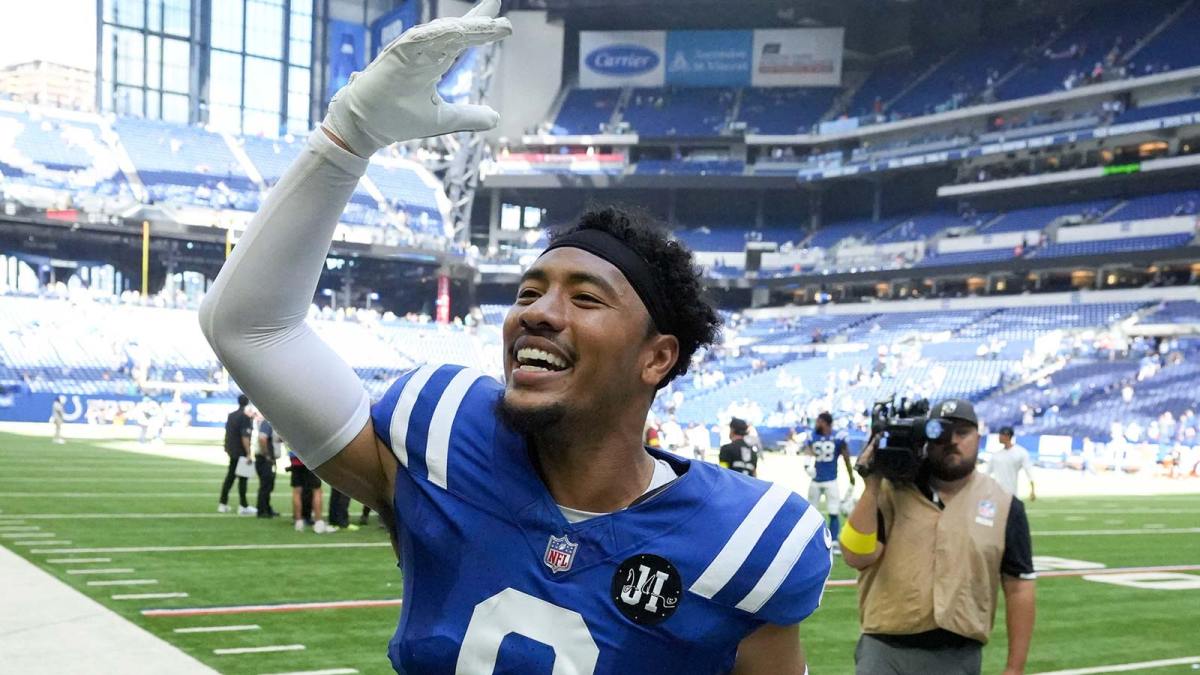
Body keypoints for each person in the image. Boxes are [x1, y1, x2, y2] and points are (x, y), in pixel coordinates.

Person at [197, 3, 832, 671]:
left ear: (657, 356)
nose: (538, 311)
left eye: (586, 298)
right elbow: (247, 326)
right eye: (529, 291)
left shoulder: (743, 542)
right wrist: (348, 135)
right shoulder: (444, 438)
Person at [840, 399, 1036, 675]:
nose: (951, 441)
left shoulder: (1005, 507)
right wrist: (871, 485)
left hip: (957, 657)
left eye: (962, 433)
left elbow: (1019, 588)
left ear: (978, 438)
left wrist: (1015, 668)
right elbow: (856, 555)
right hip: (884, 652)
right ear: (925, 436)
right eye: (940, 431)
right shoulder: (889, 492)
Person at [804, 412, 855, 552]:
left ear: (826, 423)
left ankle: (832, 541)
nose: (816, 424)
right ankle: (812, 539)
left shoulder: (837, 436)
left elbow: (846, 457)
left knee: (833, 511)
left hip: (829, 479)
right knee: (812, 512)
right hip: (819, 479)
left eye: (819, 421)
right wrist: (807, 465)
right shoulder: (821, 436)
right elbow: (808, 451)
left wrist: (851, 475)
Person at [219, 395, 255, 515]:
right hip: (240, 452)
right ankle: (243, 505)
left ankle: (222, 503)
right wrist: (248, 453)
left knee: (230, 478)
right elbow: (245, 436)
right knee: (243, 479)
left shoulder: (231, 415)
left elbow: (228, 433)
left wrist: (226, 447)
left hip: (232, 451)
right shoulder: (245, 417)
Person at [988, 427, 1036, 501]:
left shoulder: (1020, 452)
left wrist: (1032, 490)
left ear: (1007, 436)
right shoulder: (996, 455)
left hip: (1012, 494)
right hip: (996, 494)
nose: (999, 437)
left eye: (1001, 435)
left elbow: (1029, 472)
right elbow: (986, 474)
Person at [287, 451, 328, 534]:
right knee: (317, 490)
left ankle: (298, 521)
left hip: (295, 459)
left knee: (297, 491)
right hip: (311, 458)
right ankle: (318, 522)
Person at [253, 410, 280, 518]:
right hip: (265, 459)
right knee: (265, 485)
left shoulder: (270, 423)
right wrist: (267, 455)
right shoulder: (267, 423)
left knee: (269, 484)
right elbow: (262, 439)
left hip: (267, 459)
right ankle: (262, 510)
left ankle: (266, 507)